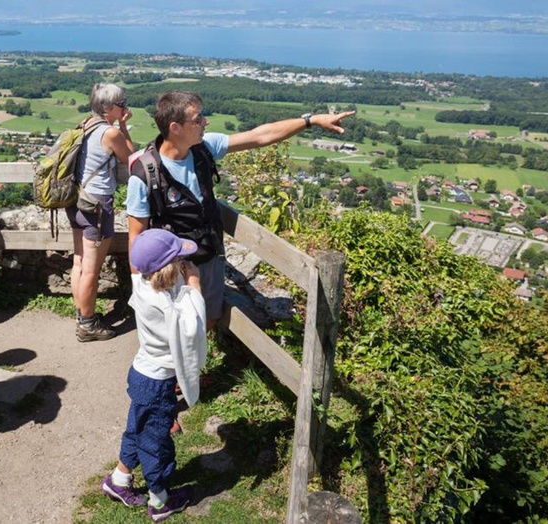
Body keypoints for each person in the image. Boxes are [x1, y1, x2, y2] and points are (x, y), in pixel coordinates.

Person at [126, 90, 355, 330]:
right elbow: (135, 237)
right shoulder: (145, 174)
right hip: (170, 265)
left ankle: (196, 354)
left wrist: (311, 121)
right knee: (171, 326)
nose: (205, 122)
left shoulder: (203, 148)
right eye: (198, 119)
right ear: (175, 128)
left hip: (209, 254)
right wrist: (140, 290)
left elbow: (260, 136)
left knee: (208, 319)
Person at [101, 229, 206, 522]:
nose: (185, 262)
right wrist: (194, 284)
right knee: (156, 444)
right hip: (157, 385)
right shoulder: (165, 306)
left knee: (137, 429)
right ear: (171, 269)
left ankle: (119, 480)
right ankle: (160, 500)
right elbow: (191, 327)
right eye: (180, 259)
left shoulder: (143, 285)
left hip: (141, 375)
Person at [66, 83, 135, 342]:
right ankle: (87, 325)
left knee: (79, 262)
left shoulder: (86, 124)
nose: (125, 107)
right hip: (97, 205)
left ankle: (81, 313)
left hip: (77, 200)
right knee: (91, 270)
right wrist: (124, 126)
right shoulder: (110, 132)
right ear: (107, 108)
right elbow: (130, 158)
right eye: (121, 104)